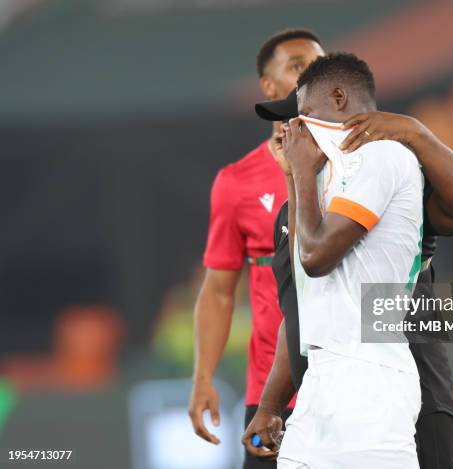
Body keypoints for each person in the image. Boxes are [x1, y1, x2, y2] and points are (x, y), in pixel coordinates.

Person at [243, 78, 453, 467]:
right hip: (324, 396)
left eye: (298, 119)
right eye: (283, 123)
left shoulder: (385, 174)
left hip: (407, 389)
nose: (286, 132)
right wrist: (271, 403)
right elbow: (303, 314)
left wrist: (416, 132)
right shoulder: (292, 215)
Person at [188, 29, 324, 469]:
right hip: (272, 396)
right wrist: (203, 376)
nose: (311, 74)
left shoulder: (360, 162)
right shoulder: (237, 182)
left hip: (348, 386)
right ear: (267, 86)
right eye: (298, 65)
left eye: (319, 64)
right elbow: (220, 290)